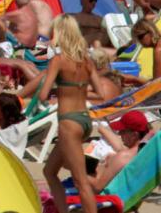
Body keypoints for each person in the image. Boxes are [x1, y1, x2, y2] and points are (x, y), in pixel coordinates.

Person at [42, 15, 106, 213]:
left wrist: (60, 91)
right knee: (49, 171)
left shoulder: (58, 60)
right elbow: (101, 94)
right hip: (84, 121)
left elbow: (43, 95)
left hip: (68, 122)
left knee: (80, 182)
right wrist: (77, 89)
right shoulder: (86, 61)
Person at [89, 111, 150, 193]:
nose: (120, 134)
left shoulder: (123, 157)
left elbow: (97, 188)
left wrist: (81, 167)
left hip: (108, 196)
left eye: (123, 131)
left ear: (134, 135)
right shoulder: (146, 150)